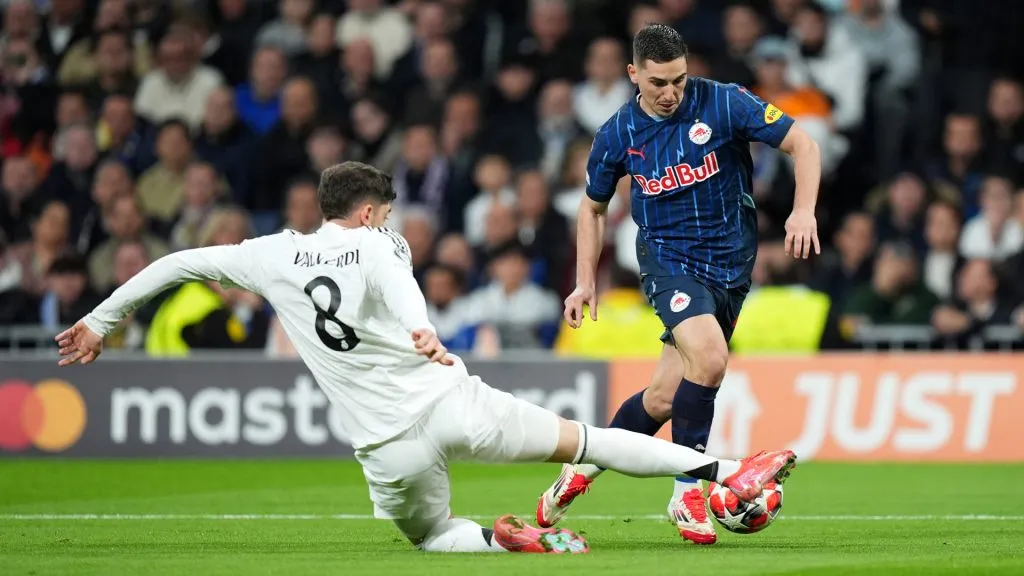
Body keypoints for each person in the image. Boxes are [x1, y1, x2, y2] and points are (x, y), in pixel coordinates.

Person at [55, 161, 797, 555]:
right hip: (449, 401)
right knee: (589, 442)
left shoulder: (268, 254)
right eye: (387, 212)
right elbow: (400, 287)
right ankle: (730, 471)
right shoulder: (379, 243)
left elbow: (177, 262)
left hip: (384, 444)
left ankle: (503, 544)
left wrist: (98, 320)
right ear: (369, 212)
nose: (391, 223)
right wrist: (424, 333)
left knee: (434, 536)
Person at [536, 24, 820, 545]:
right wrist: (584, 282)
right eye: (658, 83)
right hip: (669, 261)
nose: (670, 93)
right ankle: (687, 492)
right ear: (633, 74)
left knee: (664, 398)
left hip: (732, 266)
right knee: (709, 360)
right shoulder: (617, 133)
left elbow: (803, 144)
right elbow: (592, 209)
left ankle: (583, 466)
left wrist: (803, 211)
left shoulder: (725, 102)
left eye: (679, 81)